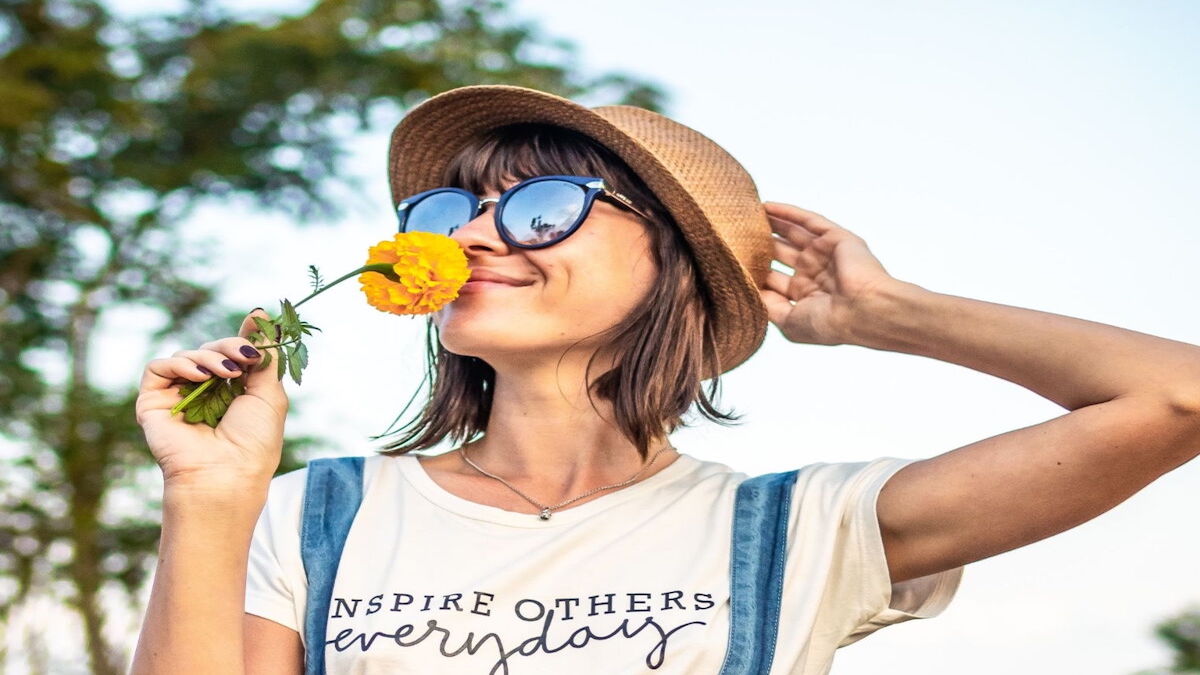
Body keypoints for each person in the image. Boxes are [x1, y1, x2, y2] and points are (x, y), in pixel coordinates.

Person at [129, 85, 1200, 674]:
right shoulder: (311, 515)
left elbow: (1174, 397)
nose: (478, 237)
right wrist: (207, 494)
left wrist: (890, 314)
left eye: (543, 207)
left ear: (674, 276)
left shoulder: (803, 530)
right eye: (452, 213)